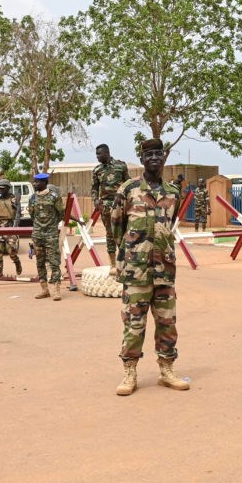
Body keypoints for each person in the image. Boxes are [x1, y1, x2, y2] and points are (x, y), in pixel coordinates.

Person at [110, 138, 190, 396]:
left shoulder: (173, 192)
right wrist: (126, 255)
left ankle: (167, 369)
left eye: (159, 153)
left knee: (167, 322)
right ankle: (130, 372)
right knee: (134, 323)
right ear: (142, 159)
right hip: (136, 270)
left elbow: (170, 224)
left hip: (164, 269)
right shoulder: (128, 189)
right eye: (149, 154)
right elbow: (117, 226)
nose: (154, 158)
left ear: (164, 157)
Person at [91, 144, 130, 272]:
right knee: (110, 233)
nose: (97, 156)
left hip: (120, 204)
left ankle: (124, 260)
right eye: (96, 154)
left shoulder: (121, 166)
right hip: (106, 206)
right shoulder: (97, 170)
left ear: (106, 153)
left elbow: (128, 183)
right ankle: (113, 263)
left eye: (99, 154)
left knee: (124, 231)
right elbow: (94, 188)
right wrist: (96, 200)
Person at [28, 172, 63, 301]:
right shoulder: (33, 198)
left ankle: (55, 290)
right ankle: (44, 289)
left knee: (54, 262)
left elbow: (61, 213)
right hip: (37, 234)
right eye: (35, 182)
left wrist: (51, 225)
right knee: (40, 262)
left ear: (44, 183)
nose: (35, 184)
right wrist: (40, 225)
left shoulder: (54, 196)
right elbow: (32, 215)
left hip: (51, 234)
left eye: (37, 182)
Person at [0, 179, 23, 278]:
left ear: (8, 189)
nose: (1, 190)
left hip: (10, 227)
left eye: (3, 189)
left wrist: (15, 228)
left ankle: (17, 263)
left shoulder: (14, 200)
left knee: (11, 251)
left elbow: (18, 215)